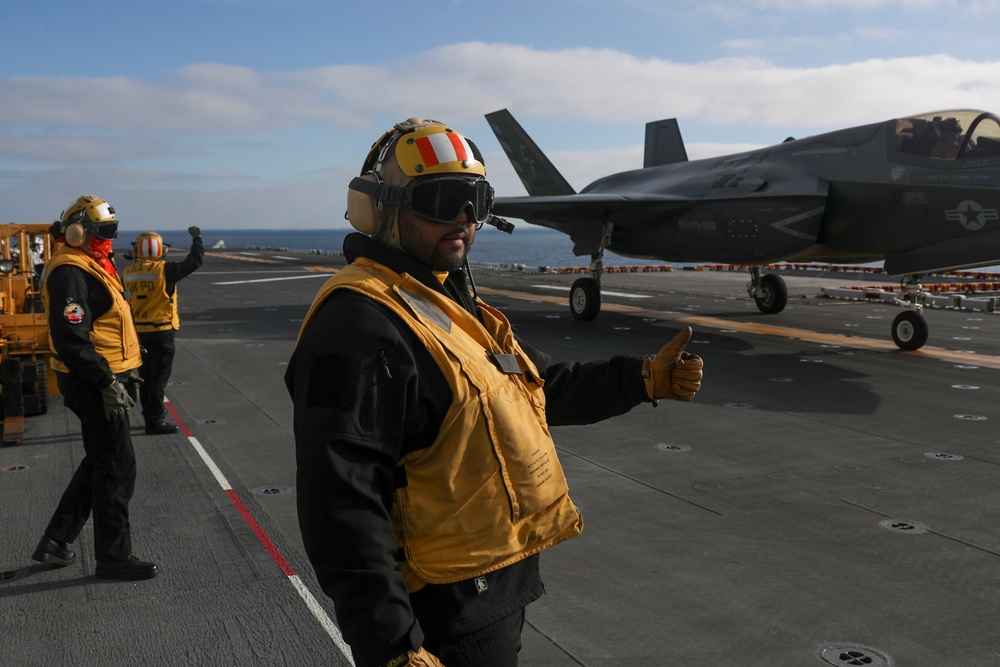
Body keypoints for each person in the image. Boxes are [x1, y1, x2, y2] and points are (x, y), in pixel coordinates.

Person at [285, 119, 704, 667]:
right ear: (382, 209)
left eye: (475, 201)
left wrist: (641, 378)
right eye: (441, 200)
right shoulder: (358, 325)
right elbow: (340, 500)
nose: (463, 219)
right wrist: (390, 644)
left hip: (493, 590)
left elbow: (533, 388)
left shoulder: (449, 304)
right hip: (440, 611)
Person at [32, 195, 157, 580]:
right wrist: (106, 379)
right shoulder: (71, 271)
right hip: (94, 382)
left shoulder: (93, 265)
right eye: (103, 232)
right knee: (117, 467)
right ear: (77, 232)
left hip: (106, 377)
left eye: (112, 232)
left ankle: (56, 541)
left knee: (101, 460)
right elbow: (71, 337)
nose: (109, 239)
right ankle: (113, 558)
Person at [122, 227, 204, 434]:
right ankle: (155, 422)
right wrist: (197, 239)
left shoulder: (128, 272)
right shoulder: (164, 270)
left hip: (139, 334)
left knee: (147, 379)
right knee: (158, 381)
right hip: (162, 333)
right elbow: (194, 261)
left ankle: (150, 417)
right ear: (161, 250)